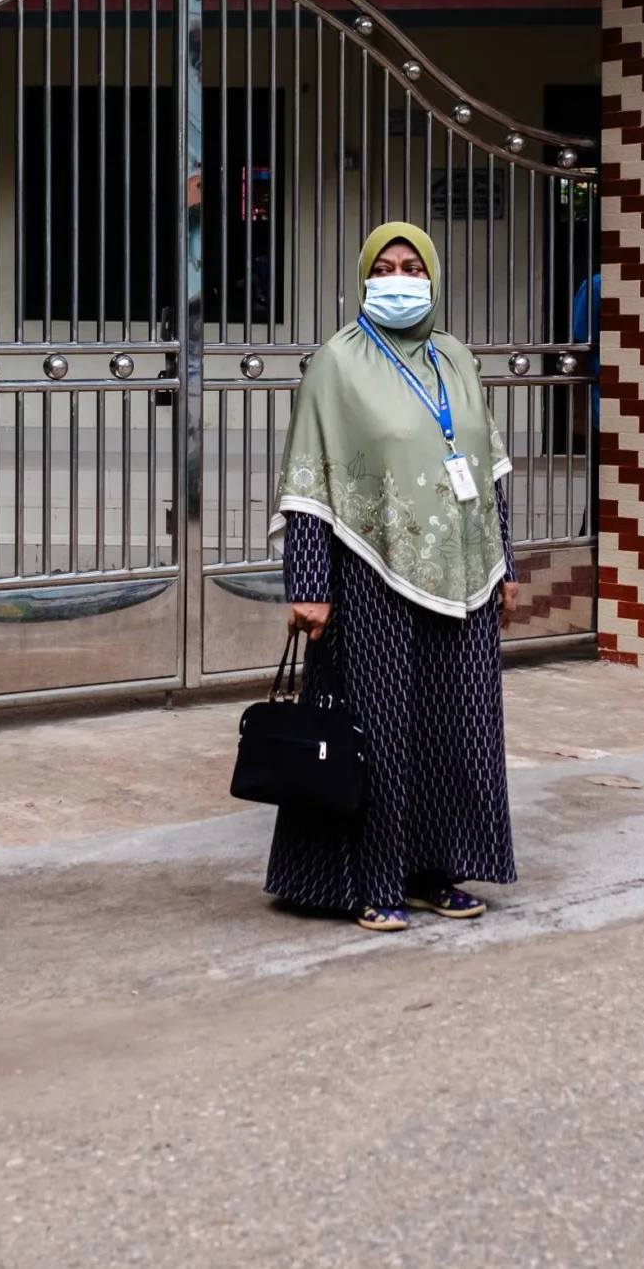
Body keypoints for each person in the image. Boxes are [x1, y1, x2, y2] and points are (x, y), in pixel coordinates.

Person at [265, 221, 520, 932]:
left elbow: (490, 465)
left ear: (432, 279)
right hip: (371, 575)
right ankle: (373, 881)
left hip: (463, 576)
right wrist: (308, 584)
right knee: (379, 729)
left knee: (456, 726)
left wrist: (504, 564)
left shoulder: (456, 360)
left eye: (413, 266)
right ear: (364, 276)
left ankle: (435, 871)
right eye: (387, 266)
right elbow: (309, 481)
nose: (400, 279)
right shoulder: (337, 365)